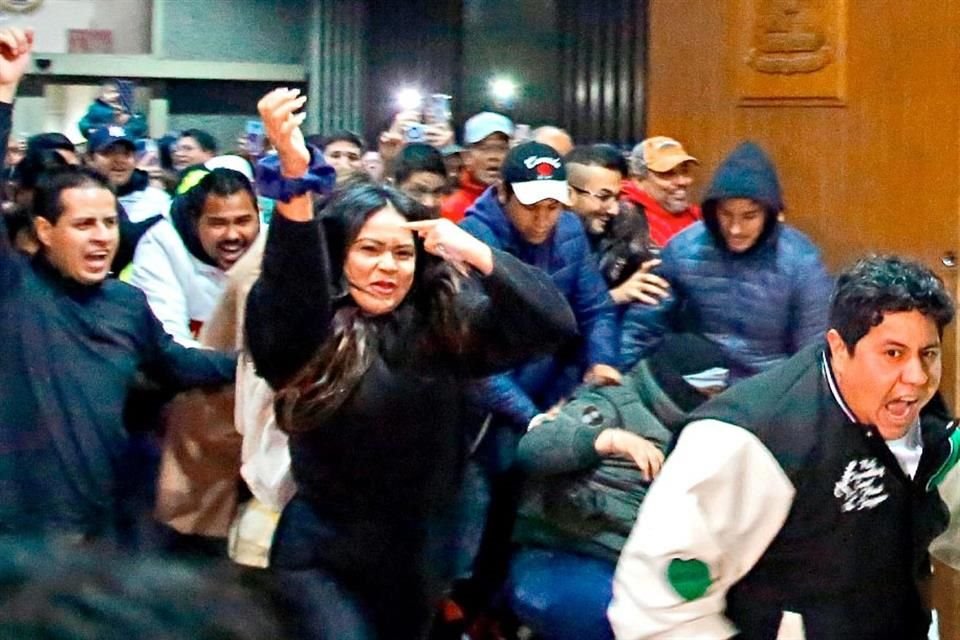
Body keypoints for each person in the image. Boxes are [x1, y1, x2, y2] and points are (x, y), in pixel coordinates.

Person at [246, 88, 577, 640]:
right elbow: (290, 288)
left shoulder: (440, 325)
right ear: (340, 255)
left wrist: (475, 250)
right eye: (369, 250)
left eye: (401, 253)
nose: (387, 268)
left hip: (416, 559)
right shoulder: (309, 331)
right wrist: (295, 181)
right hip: (321, 557)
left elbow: (553, 323)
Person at [610, 255, 958, 640]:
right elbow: (656, 611)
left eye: (928, 354)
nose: (917, 377)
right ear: (840, 349)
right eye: (893, 353)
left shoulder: (921, 414)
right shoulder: (745, 442)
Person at [507, 334, 727, 640]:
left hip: (641, 558)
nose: (712, 399)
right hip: (567, 546)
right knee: (622, 620)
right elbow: (535, 448)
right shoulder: (610, 402)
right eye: (708, 390)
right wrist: (604, 441)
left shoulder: (699, 432)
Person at [620, 141, 832, 379]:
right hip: (695, 383)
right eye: (725, 214)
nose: (735, 229)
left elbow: (813, 354)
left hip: (771, 389)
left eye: (749, 216)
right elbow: (642, 329)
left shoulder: (801, 260)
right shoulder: (683, 249)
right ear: (712, 211)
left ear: (769, 214)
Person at [129, 167, 261, 346]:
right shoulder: (161, 245)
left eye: (243, 221)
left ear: (258, 216)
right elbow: (170, 346)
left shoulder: (270, 243)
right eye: (218, 223)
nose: (232, 235)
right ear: (195, 221)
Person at [565, 143, 669, 309]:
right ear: (568, 193)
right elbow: (549, 316)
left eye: (618, 197)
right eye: (603, 197)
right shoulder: (541, 233)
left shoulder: (626, 222)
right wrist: (614, 297)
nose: (614, 209)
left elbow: (643, 270)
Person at [621, 136, 701, 247]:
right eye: (668, 173)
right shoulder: (624, 218)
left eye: (685, 171)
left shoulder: (700, 216)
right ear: (638, 180)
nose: (682, 182)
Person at [441, 111, 513, 222]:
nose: (494, 156)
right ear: (466, 157)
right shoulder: (452, 209)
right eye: (484, 148)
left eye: (501, 148)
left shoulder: (522, 203)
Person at [77, 79, 148, 140]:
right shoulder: (95, 110)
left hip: (126, 145)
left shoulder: (130, 110)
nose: (116, 95)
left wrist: (126, 125)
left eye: (117, 92)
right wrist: (110, 120)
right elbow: (84, 126)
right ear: (102, 96)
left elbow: (140, 127)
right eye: (111, 92)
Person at [393, 142, 448, 217]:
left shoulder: (450, 227)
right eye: (417, 192)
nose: (430, 203)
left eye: (437, 192)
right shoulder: (376, 226)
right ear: (394, 188)